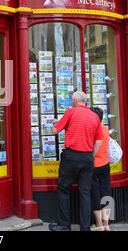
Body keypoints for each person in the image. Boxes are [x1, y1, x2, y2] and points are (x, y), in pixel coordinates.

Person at [49, 91, 103, 231]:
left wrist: (55, 123)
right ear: (86, 101)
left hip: (71, 157)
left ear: (74, 101)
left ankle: (64, 226)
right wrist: (90, 156)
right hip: (87, 158)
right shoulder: (95, 117)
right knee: (85, 192)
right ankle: (85, 228)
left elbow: (55, 131)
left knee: (63, 188)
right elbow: (98, 142)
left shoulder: (71, 112)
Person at [89, 107, 112, 231]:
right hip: (105, 164)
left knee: (95, 195)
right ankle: (106, 223)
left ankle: (99, 225)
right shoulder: (105, 129)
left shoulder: (91, 129)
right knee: (106, 193)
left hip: (93, 165)